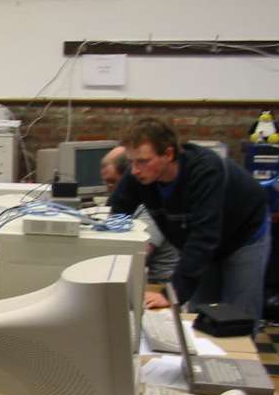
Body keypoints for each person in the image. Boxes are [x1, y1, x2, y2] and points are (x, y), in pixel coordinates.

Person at [109, 119, 270, 321]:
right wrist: (112, 267)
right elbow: (119, 213)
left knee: (238, 319)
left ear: (168, 154)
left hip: (243, 235)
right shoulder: (138, 174)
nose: (134, 170)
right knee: (200, 316)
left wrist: (171, 294)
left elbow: (203, 238)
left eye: (142, 161)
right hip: (204, 241)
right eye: (131, 162)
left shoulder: (205, 171)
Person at [100, 145, 179, 306]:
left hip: (159, 286)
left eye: (112, 182)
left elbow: (137, 254)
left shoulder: (150, 208)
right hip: (145, 280)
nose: (109, 189)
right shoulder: (129, 205)